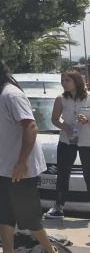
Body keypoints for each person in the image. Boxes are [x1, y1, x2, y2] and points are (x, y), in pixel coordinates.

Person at [0, 57, 53, 253]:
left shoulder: (11, 95)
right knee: (2, 216)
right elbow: (1, 126)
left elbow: (31, 127)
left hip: (20, 171)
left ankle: (50, 251)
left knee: (30, 220)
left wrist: (21, 162)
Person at [45, 70, 90, 219]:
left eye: (67, 80)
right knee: (63, 174)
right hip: (67, 141)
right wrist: (66, 127)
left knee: (88, 175)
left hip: (86, 142)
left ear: (76, 81)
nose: (64, 83)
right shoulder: (60, 99)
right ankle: (58, 207)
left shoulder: (89, 98)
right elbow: (54, 119)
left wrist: (87, 121)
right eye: (62, 80)